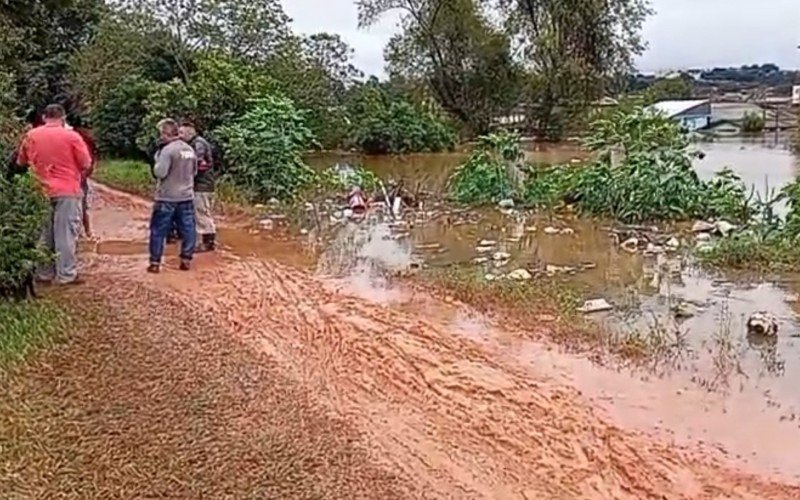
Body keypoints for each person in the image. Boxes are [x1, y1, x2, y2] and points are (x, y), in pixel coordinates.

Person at [17, 104, 92, 285]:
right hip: (67, 189)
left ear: (44, 117)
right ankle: (66, 274)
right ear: (63, 117)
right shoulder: (72, 137)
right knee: (65, 233)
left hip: (39, 189)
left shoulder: (31, 136)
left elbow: (21, 161)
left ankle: (44, 274)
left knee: (43, 233)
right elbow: (85, 163)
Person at [147, 118, 197, 273]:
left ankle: (155, 262)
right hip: (186, 195)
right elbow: (194, 172)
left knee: (158, 230)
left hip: (167, 196)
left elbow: (160, 172)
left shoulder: (167, 150)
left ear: (165, 133)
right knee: (188, 228)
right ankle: (186, 259)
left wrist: (156, 159)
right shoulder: (189, 149)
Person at [179, 121, 217, 252]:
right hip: (201, 184)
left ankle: (209, 242)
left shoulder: (198, 144)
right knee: (200, 212)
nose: (179, 136)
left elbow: (197, 162)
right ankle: (207, 240)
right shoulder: (194, 143)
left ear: (190, 133)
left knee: (202, 213)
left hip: (202, 185)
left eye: (182, 133)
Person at [68, 118, 99, 239]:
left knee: (81, 206)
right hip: (77, 178)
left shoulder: (81, 138)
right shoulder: (81, 139)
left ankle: (85, 232)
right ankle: (86, 232)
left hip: (76, 178)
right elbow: (89, 162)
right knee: (82, 205)